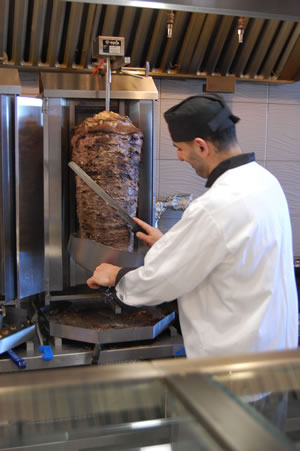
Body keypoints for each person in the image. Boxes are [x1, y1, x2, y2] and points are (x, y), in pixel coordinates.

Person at [87, 93, 298, 360]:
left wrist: (116, 276)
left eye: (179, 147)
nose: (179, 157)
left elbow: (159, 282)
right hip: (275, 355)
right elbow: (230, 255)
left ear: (201, 146)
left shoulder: (216, 205)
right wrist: (168, 245)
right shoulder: (264, 181)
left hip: (234, 365)